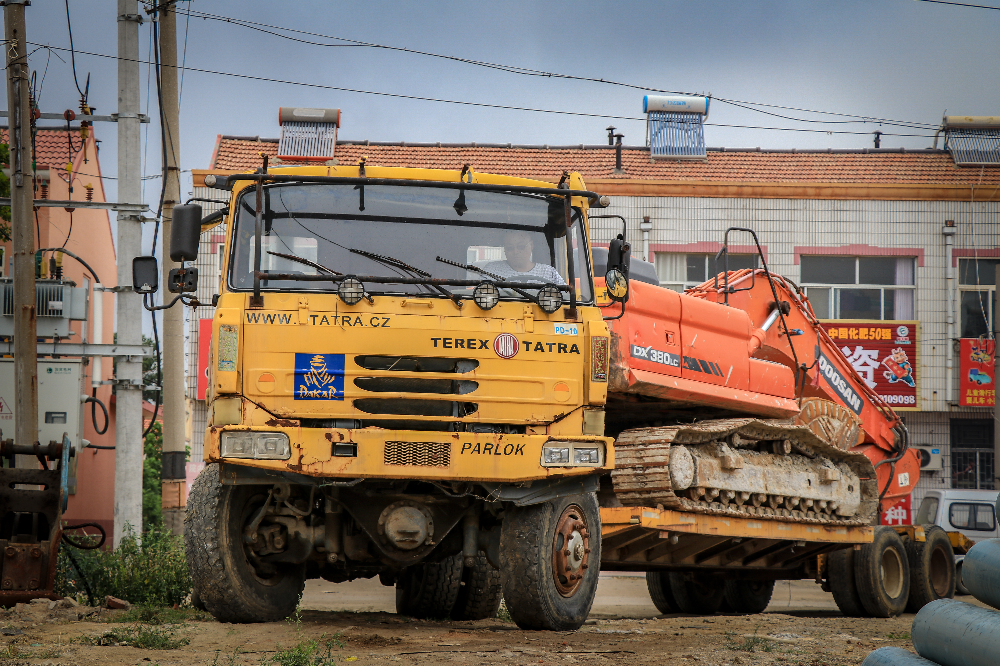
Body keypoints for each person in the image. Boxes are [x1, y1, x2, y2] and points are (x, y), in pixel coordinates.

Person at [484, 230, 566, 285]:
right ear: (505, 249)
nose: (515, 252)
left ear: (532, 245)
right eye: (510, 248)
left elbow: (565, 297)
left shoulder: (548, 272)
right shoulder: (491, 270)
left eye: (521, 246)